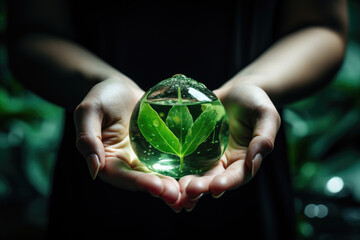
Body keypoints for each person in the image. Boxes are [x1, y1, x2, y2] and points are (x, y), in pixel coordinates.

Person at [7, 0, 347, 239]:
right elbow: (31, 33)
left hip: (243, 149)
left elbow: (322, 26)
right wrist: (97, 84)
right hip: (107, 149)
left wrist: (254, 84)